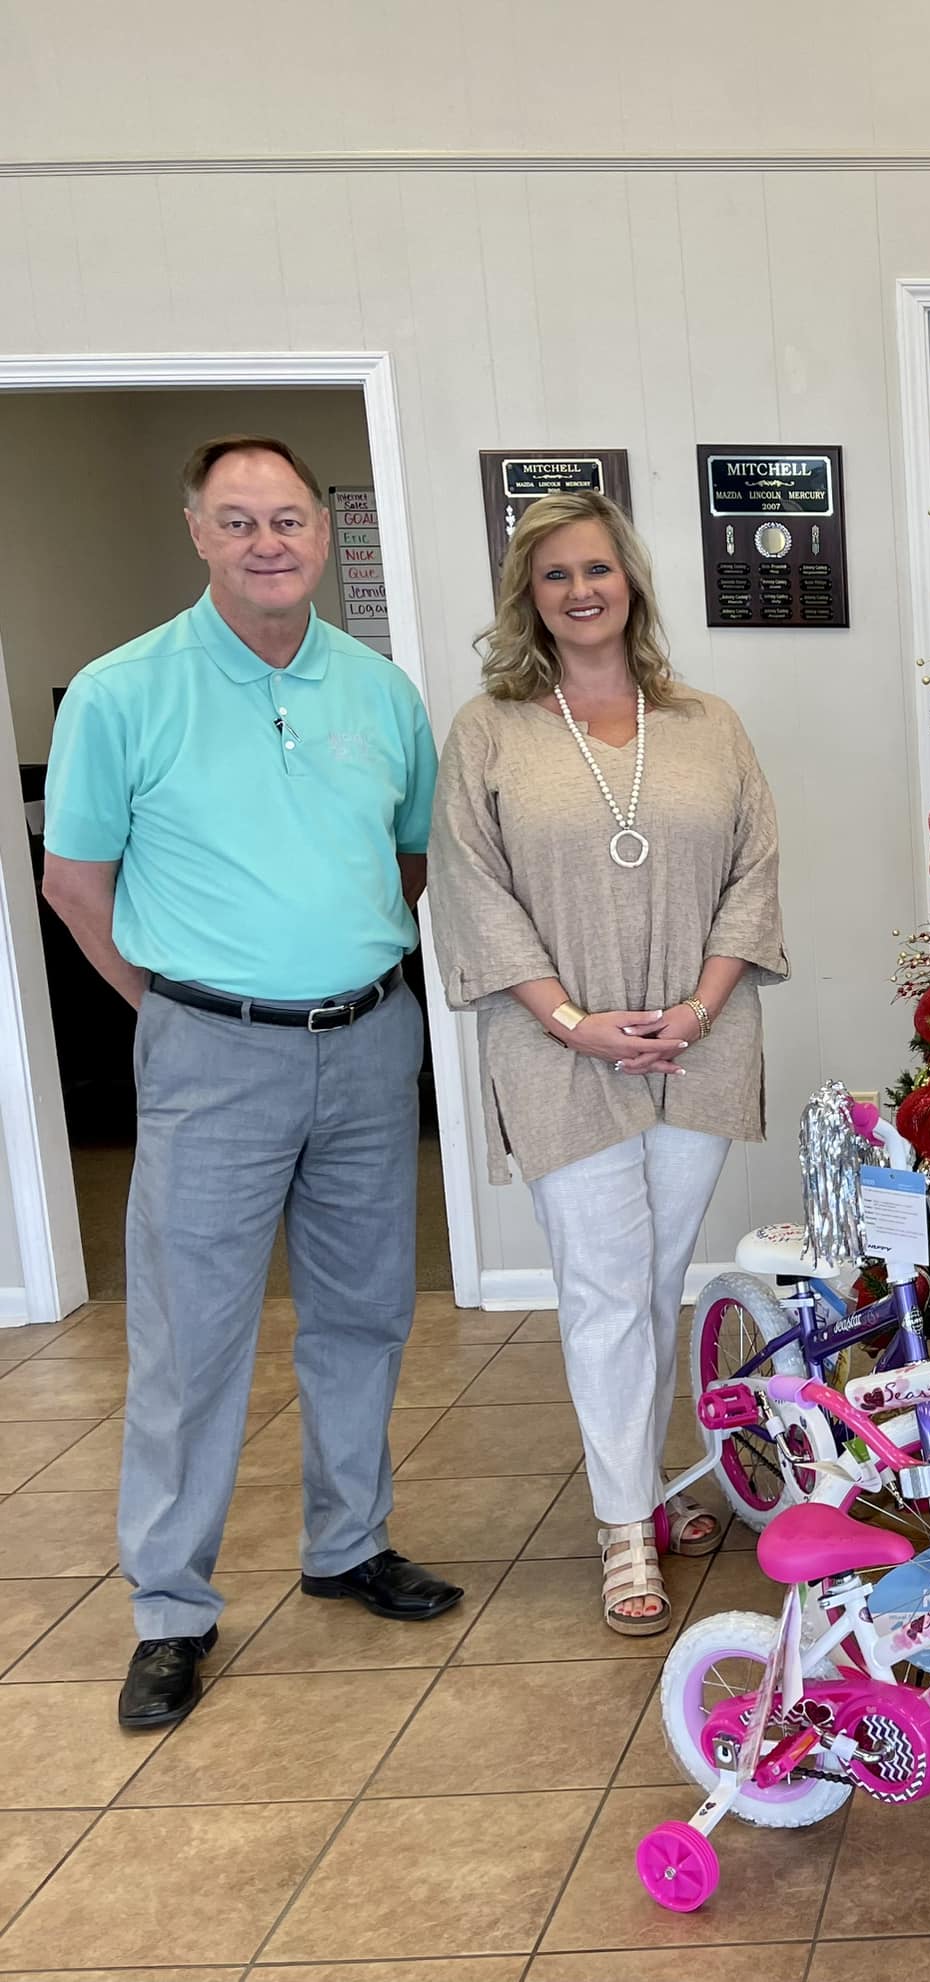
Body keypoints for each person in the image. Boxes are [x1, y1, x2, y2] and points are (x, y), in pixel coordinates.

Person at [41, 436, 457, 1732]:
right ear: (198, 532)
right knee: (191, 1339)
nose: (268, 540)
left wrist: (330, 974)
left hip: (370, 1041)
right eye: (239, 520)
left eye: (287, 518)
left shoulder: (380, 690)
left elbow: (405, 862)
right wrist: (182, 1011)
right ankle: (170, 1607)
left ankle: (348, 1541)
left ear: (322, 535)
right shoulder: (121, 692)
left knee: (363, 1311)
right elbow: (75, 884)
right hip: (209, 1053)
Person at [429, 490, 785, 1635]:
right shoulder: (490, 731)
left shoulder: (707, 723)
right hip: (555, 1050)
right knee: (601, 1288)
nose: (581, 590)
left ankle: (646, 1480)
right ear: (527, 598)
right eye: (555, 575)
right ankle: (625, 1522)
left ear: (629, 580)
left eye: (597, 568)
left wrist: (695, 1008)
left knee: (653, 1277)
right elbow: (472, 891)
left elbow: (754, 873)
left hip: (695, 1043)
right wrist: (571, 1019)